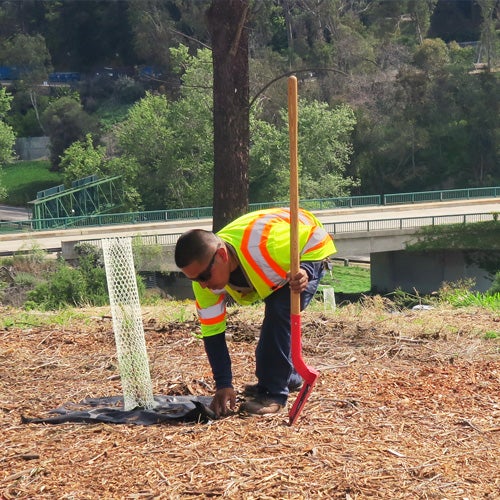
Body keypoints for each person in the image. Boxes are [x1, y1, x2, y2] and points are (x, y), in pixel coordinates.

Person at [174, 207, 336, 417]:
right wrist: (223, 384)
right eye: (194, 279)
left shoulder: (268, 246)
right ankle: (290, 378)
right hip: (275, 268)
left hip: (303, 252)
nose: (202, 285)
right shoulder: (204, 283)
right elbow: (213, 334)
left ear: (222, 254)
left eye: (204, 276)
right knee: (275, 315)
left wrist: (305, 269)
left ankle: (274, 394)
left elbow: (318, 238)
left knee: (278, 311)